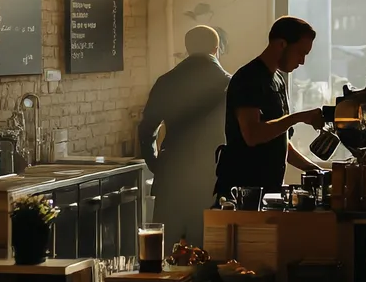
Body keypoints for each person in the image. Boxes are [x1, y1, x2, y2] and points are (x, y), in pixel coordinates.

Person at [138, 26, 231, 247]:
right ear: (216, 48)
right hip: (212, 175)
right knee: (208, 245)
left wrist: (156, 164)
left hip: (173, 174)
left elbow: (146, 129)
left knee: (168, 245)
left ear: (187, 48)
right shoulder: (229, 83)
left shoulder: (167, 81)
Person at [213, 17, 325, 198]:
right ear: (281, 44)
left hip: (269, 192)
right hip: (243, 194)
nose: (302, 61)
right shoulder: (249, 79)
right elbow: (253, 135)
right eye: (300, 53)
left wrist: (314, 169)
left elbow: (278, 141)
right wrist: (297, 117)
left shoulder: (278, 81)